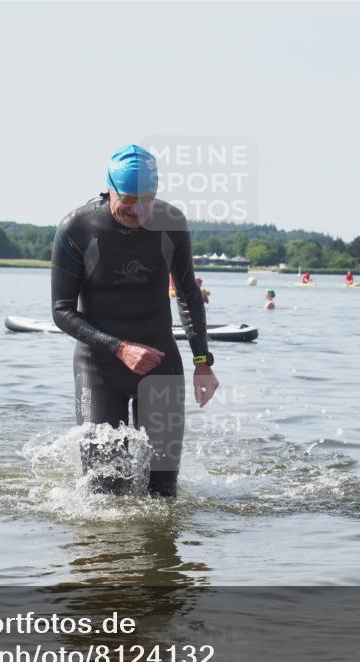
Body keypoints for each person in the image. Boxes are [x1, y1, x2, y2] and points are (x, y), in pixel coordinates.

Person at [51, 144, 219, 498]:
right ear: (109, 188)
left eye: (147, 200)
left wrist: (203, 362)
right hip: (99, 368)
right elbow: (62, 311)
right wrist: (120, 348)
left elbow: (188, 294)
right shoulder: (77, 228)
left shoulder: (171, 223)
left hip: (160, 363)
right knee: (104, 491)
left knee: (163, 491)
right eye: (129, 199)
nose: (138, 209)